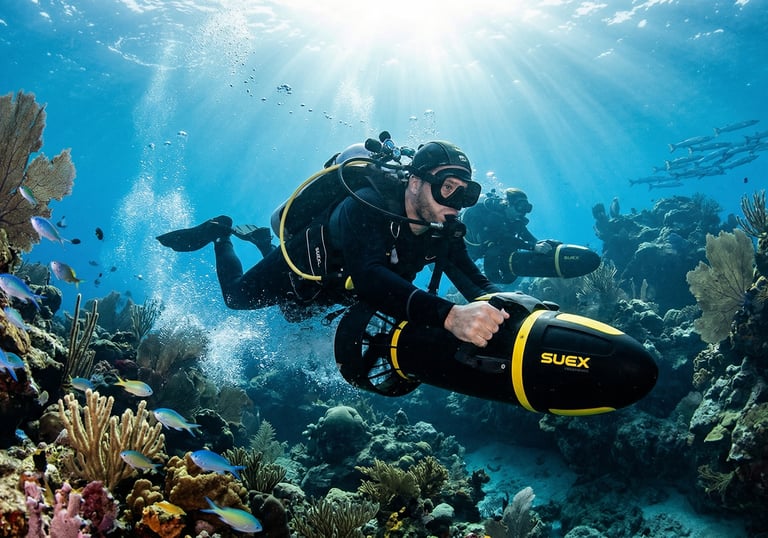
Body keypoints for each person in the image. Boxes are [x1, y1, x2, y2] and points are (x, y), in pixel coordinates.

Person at [157, 140, 509, 348]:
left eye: (466, 193)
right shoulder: (366, 205)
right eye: (447, 187)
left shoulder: (442, 230)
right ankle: (222, 232)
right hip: (303, 264)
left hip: (337, 287)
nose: (455, 203)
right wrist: (448, 315)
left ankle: (261, 241)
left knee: (293, 314)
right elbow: (370, 277)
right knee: (236, 298)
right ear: (415, 183)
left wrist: (521, 308)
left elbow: (475, 283)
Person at [461, 187, 558, 284]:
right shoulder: (492, 216)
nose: (523, 212)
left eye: (526, 208)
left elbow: (528, 237)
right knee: (496, 249)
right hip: (465, 247)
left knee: (507, 249)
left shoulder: (515, 221)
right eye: (520, 207)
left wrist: (543, 244)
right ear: (508, 204)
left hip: (482, 248)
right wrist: (533, 247)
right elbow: (503, 238)